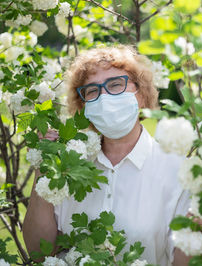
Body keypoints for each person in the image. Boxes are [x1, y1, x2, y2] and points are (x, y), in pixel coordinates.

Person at [23, 45, 191, 266]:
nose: (104, 97)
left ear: (141, 95)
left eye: (115, 85)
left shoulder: (177, 171)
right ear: (83, 106)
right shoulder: (68, 164)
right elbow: (39, 252)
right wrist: (43, 172)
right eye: (92, 91)